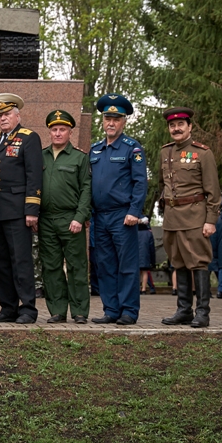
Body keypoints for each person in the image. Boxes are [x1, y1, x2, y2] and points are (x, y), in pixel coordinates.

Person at [158, 107, 222, 329]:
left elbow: (213, 190)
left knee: (198, 262)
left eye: (180, 125)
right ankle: (184, 310)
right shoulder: (164, 152)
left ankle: (202, 313)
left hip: (195, 216)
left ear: (190, 127)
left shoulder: (202, 153)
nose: (176, 129)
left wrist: (211, 220)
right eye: (172, 125)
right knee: (178, 262)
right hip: (171, 217)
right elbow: (162, 184)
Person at [0, 93, 43, 324]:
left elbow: (34, 175)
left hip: (18, 210)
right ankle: (7, 307)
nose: (3, 118)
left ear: (18, 115)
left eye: (7, 114)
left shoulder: (29, 138)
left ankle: (27, 308)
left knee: (21, 262)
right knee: (0, 264)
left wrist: (32, 209)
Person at [89, 93, 147, 325]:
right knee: (105, 265)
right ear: (102, 121)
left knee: (127, 266)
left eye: (116, 119)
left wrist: (135, 210)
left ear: (124, 122)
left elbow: (140, 181)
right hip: (99, 217)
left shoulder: (132, 148)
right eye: (107, 118)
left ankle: (128, 311)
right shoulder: (95, 149)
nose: (111, 123)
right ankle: (111, 309)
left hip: (123, 216)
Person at [39, 109, 92, 324]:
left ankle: (79, 311)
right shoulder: (40, 156)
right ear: (49, 132)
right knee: (51, 267)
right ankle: (57, 310)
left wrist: (80, 217)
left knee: (76, 266)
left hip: (70, 219)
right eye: (54, 129)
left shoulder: (80, 158)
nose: (58, 133)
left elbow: (86, 190)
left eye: (62, 129)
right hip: (46, 220)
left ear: (70, 132)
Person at [138, 218, 157, 294]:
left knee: (137, 273)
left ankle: (137, 289)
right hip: (145, 255)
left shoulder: (134, 232)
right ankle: (144, 289)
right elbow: (151, 247)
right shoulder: (148, 233)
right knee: (145, 272)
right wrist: (153, 261)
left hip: (136, 255)